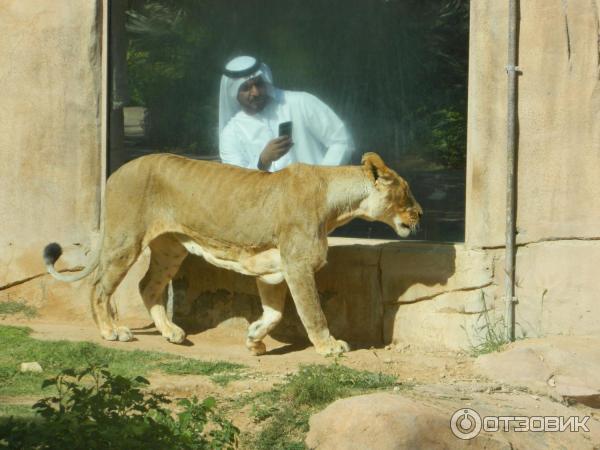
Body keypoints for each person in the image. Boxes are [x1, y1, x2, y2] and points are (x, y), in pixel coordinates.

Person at [218, 55, 354, 171]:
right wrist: (262, 161)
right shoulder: (231, 134)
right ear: (233, 93)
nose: (256, 92)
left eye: (259, 84)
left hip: (319, 197)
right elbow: (237, 182)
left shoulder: (300, 102)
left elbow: (342, 139)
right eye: (246, 88)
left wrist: (321, 179)